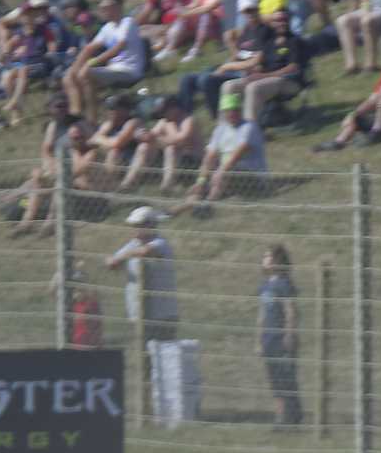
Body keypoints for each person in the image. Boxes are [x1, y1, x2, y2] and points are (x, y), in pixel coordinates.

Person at [63, 0, 150, 117]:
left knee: (87, 74)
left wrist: (90, 63)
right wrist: (74, 69)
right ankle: (76, 113)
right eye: (102, 8)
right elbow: (89, 48)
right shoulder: (108, 27)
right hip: (113, 69)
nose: (104, 11)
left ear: (119, 6)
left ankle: (90, 118)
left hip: (129, 70)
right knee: (69, 76)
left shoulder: (128, 23)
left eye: (108, 7)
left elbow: (118, 48)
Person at [107, 204, 178, 346]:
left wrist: (123, 256)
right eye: (135, 225)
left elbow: (146, 252)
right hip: (138, 310)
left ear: (151, 225)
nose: (135, 229)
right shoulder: (133, 244)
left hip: (162, 313)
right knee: (144, 353)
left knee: (163, 353)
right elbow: (111, 262)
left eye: (139, 225)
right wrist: (118, 259)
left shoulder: (160, 243)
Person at [190, 82, 268, 204]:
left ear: (240, 110)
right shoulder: (220, 129)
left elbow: (238, 154)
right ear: (223, 113)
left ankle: (209, 202)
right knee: (198, 186)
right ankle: (174, 212)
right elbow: (210, 155)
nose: (232, 114)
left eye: (235, 110)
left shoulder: (250, 127)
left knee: (225, 173)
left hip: (252, 177)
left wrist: (220, 171)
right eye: (228, 111)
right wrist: (201, 180)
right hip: (227, 172)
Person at [255, 243, 303, 429]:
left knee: (287, 378)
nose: (264, 260)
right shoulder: (265, 286)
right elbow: (261, 314)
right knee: (274, 379)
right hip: (268, 339)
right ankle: (281, 416)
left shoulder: (285, 284)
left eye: (268, 257)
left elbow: (290, 311)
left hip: (281, 338)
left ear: (277, 261)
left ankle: (292, 416)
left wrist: (289, 335)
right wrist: (258, 340)